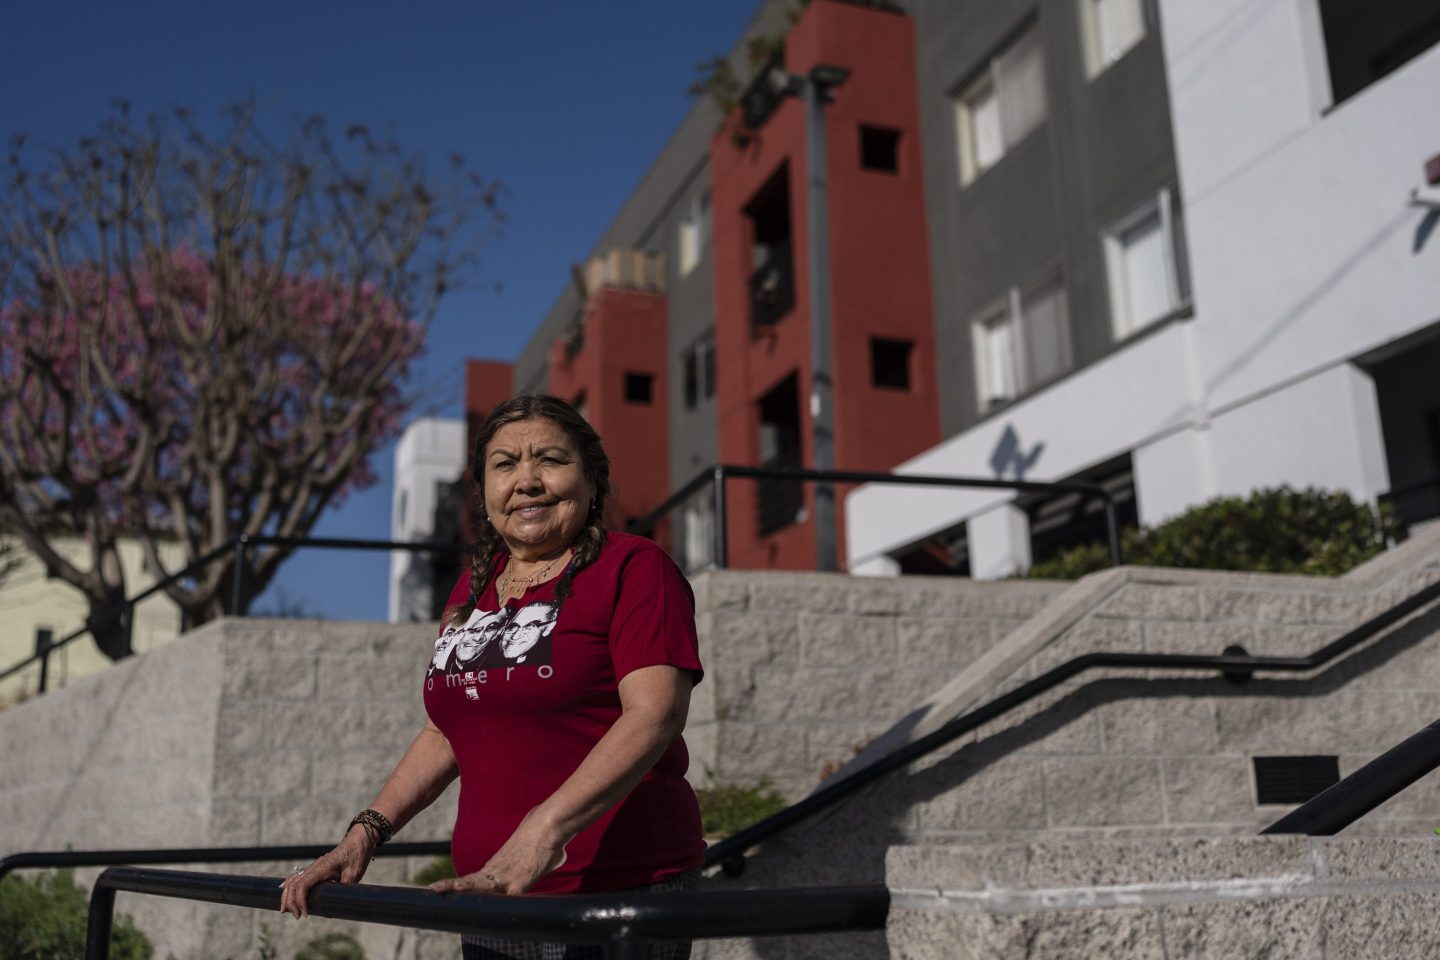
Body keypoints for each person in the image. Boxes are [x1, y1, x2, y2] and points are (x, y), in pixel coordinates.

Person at [279, 395, 706, 960]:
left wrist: (539, 837)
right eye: (504, 465)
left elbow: (655, 714)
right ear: (482, 493)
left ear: (592, 479)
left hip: (614, 893)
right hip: (491, 893)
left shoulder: (634, 568)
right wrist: (365, 833)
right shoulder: (471, 591)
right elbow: (444, 733)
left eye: (550, 460)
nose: (526, 480)